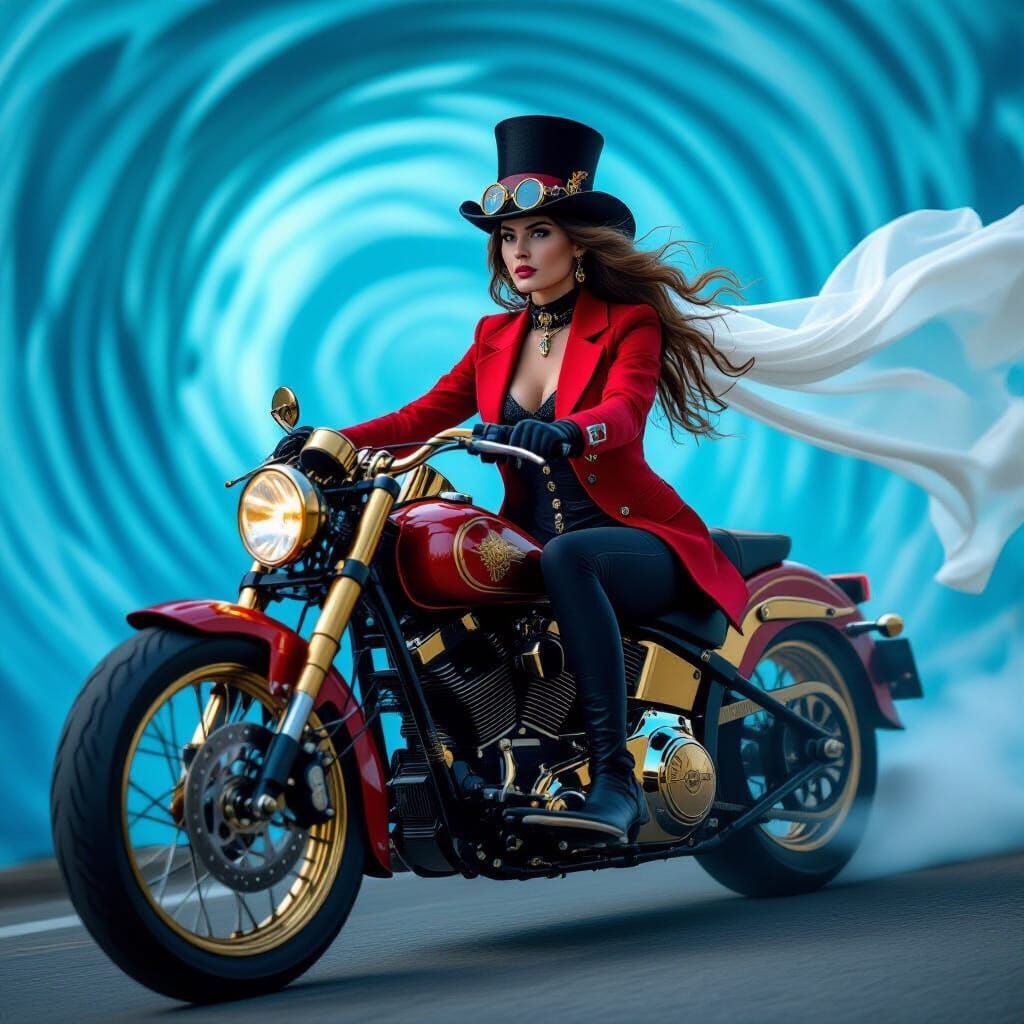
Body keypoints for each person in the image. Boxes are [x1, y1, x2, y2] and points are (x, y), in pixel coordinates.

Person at [285, 115, 756, 845]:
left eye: (536, 231)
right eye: (507, 237)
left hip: (634, 537)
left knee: (571, 556)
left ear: (577, 240)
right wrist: (328, 443)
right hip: (534, 540)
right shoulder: (494, 336)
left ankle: (614, 782)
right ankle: (458, 761)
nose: (518, 251)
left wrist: (569, 430)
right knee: (411, 563)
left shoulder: (627, 321)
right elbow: (423, 415)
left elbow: (626, 412)